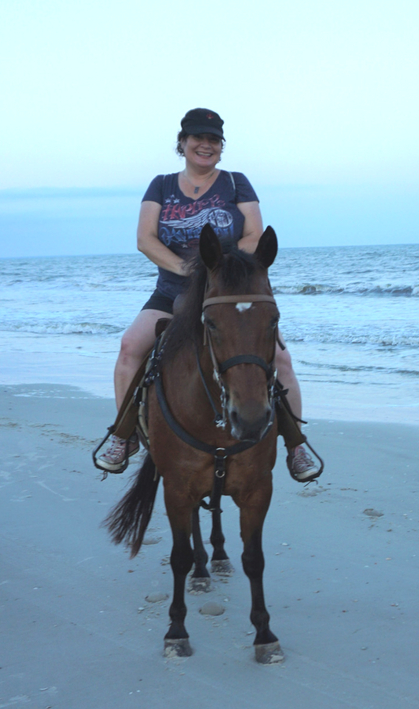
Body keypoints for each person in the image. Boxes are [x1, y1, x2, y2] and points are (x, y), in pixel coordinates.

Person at [96, 108, 318, 480]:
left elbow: (253, 234)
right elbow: (145, 239)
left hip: (229, 293)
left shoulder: (235, 183)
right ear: (182, 144)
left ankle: (296, 444)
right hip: (173, 291)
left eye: (213, 140)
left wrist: (218, 270)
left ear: (221, 147)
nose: (205, 145)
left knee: (281, 360)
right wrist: (190, 270)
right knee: (129, 348)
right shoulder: (161, 185)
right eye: (197, 138)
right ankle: (124, 434)